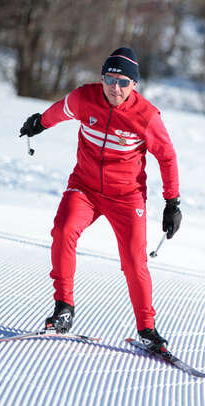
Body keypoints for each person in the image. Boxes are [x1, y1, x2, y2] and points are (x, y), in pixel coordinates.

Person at [19, 47, 181, 351]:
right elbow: (61, 110)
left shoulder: (147, 116)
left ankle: (147, 329)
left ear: (134, 84)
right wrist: (40, 123)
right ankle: (64, 307)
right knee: (63, 230)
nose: (114, 88)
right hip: (85, 188)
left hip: (127, 197)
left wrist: (173, 204)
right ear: (102, 77)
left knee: (134, 263)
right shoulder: (85, 98)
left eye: (123, 82)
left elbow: (167, 157)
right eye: (109, 79)